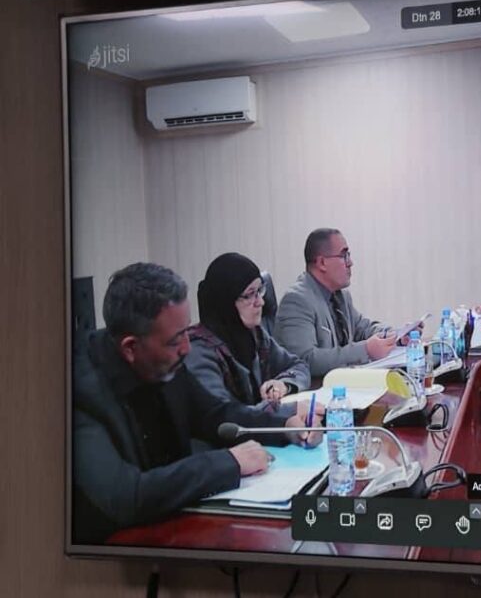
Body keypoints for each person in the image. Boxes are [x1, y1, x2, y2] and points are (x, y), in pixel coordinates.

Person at [73, 263, 321, 544]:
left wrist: (284, 425)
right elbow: (125, 496)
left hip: (176, 524)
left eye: (185, 332)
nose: (187, 348)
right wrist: (227, 463)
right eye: (175, 340)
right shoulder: (78, 395)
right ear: (130, 348)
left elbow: (215, 414)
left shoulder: (166, 359)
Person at [186, 253, 311, 416]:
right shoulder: (199, 350)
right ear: (225, 301)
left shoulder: (255, 335)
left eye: (259, 291)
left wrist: (283, 384)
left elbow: (299, 366)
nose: (261, 302)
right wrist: (288, 412)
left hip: (261, 429)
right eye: (249, 295)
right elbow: (225, 415)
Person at [276, 228, 408, 377]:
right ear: (322, 263)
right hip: (315, 388)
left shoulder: (340, 295)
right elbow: (305, 361)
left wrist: (396, 335)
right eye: (343, 255)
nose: (350, 263)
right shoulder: (297, 301)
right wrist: (366, 350)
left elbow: (362, 329)